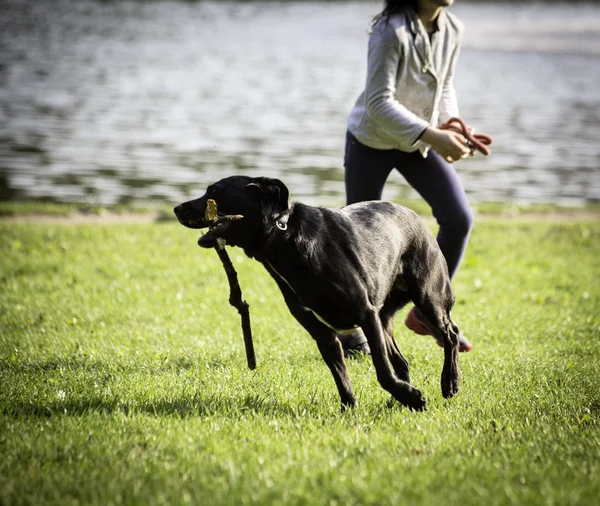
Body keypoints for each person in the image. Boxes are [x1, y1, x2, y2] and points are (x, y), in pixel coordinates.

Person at [339, 0, 474, 356]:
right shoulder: (390, 32)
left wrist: (449, 126)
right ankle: (352, 331)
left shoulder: (453, 29)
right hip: (371, 141)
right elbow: (377, 104)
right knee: (356, 241)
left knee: (458, 219)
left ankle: (428, 313)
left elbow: (444, 87)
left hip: (419, 142)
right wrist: (433, 135)